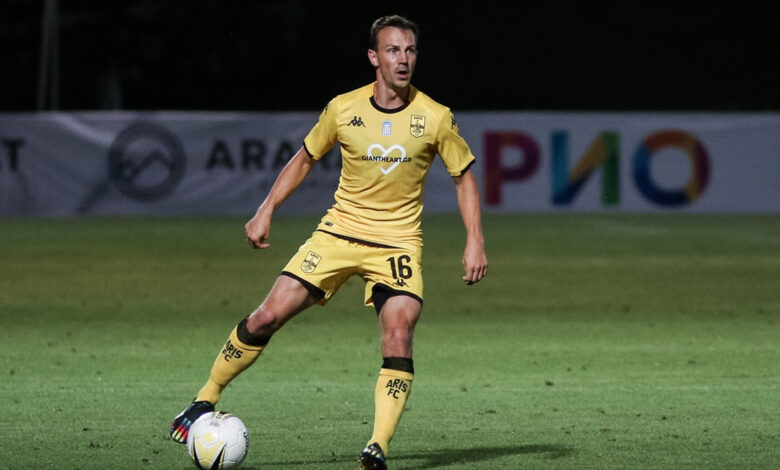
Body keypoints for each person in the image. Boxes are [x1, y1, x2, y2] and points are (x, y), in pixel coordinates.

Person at [170, 14, 487, 470]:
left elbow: (464, 177)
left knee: (399, 331)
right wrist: (266, 209)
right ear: (374, 57)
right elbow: (304, 158)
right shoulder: (343, 108)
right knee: (266, 316)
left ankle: (377, 446)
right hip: (338, 233)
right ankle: (205, 397)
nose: (403, 59)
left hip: (397, 243)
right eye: (393, 50)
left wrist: (475, 240)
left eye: (410, 50)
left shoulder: (435, 116)